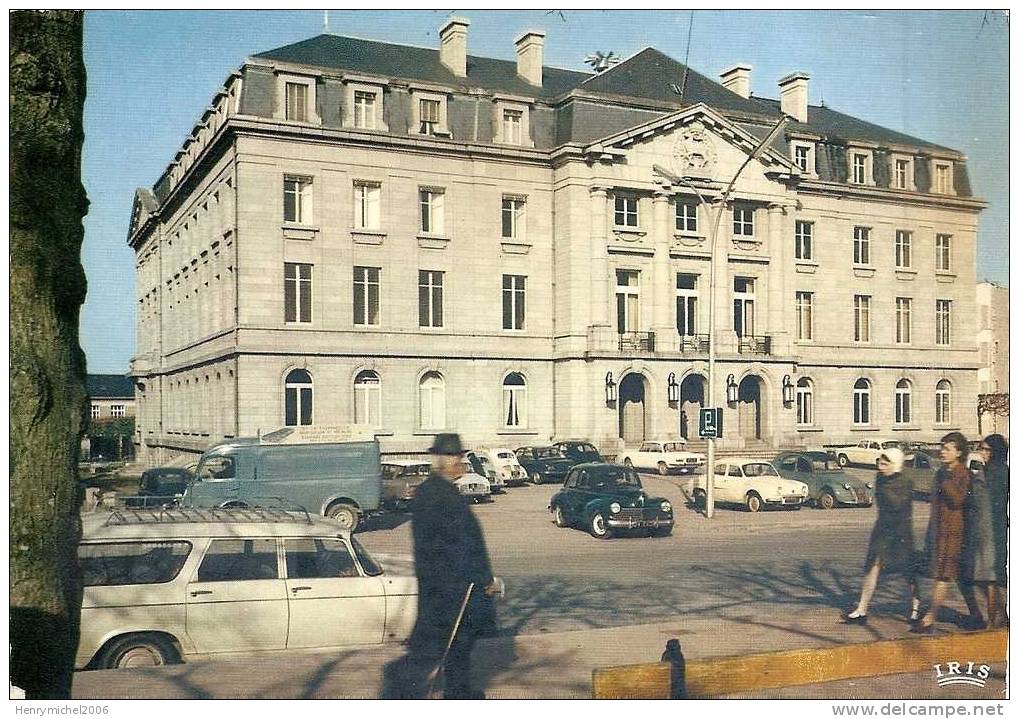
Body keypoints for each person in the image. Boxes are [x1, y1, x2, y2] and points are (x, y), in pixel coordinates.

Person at [383, 433, 499, 699]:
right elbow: (455, 547)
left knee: (456, 645)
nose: (461, 462)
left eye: (459, 456)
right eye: (456, 457)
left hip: (445, 587)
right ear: (442, 460)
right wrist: (480, 579)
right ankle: (434, 695)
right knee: (445, 647)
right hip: (452, 589)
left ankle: (457, 693)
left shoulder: (437, 491)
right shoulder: (440, 495)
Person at [841, 448, 922, 625]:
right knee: (872, 567)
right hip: (882, 530)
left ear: (896, 465)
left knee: (907, 571)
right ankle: (862, 609)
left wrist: (885, 489)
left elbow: (897, 504)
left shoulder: (905, 481)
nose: (881, 466)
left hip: (900, 532)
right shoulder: (880, 478)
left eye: (885, 463)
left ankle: (916, 606)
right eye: (880, 462)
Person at [914, 432, 981, 632]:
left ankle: (929, 618)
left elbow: (959, 500)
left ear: (959, 452)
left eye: (947, 449)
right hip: (940, 531)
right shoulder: (942, 472)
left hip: (955, 533)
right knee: (959, 577)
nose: (942, 452)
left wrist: (946, 481)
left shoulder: (964, 475)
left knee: (943, 575)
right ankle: (976, 614)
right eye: (942, 448)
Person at [980, 434, 1009, 627]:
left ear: (995, 452)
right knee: (993, 576)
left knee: (992, 576)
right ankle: (1001, 615)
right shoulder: (997, 470)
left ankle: (993, 621)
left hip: (993, 528)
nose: (981, 453)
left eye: (985, 449)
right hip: (996, 526)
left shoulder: (995, 472)